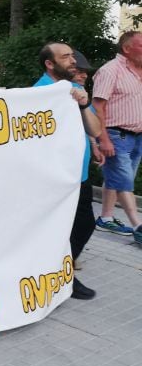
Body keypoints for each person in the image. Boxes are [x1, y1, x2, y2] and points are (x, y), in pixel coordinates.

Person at [34, 42, 99, 299]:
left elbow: (94, 129)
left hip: (78, 174)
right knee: (59, 228)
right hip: (53, 176)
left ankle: (62, 272)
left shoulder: (76, 89)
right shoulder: (39, 93)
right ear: (50, 64)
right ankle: (58, 276)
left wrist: (84, 105)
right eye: (66, 57)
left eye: (73, 55)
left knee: (83, 225)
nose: (73, 61)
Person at [93, 31, 142, 236]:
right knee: (124, 181)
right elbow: (97, 106)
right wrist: (102, 138)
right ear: (127, 49)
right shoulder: (110, 71)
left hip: (137, 136)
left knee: (116, 178)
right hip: (116, 135)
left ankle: (105, 217)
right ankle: (138, 226)